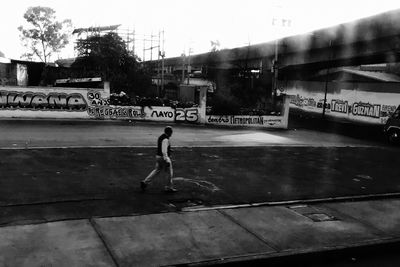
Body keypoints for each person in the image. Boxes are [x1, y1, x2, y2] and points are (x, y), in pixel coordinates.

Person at [141, 126, 177, 192]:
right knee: (169, 173)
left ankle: (145, 182)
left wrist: (169, 150)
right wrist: (166, 160)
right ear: (169, 132)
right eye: (171, 132)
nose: (172, 133)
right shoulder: (165, 139)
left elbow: (162, 147)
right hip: (163, 158)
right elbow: (163, 151)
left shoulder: (161, 137)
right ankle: (168, 187)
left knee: (156, 170)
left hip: (158, 157)